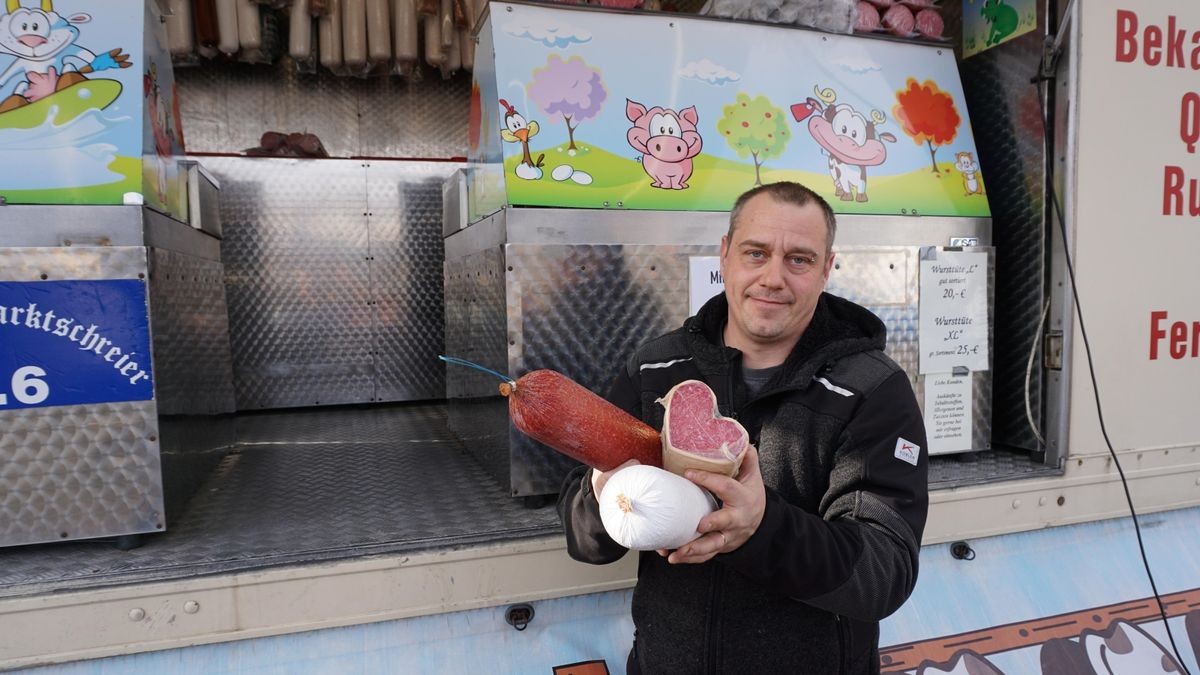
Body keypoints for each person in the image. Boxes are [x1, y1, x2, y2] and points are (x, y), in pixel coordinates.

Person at [557, 181, 929, 674]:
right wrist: (603, 490)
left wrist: (761, 529)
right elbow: (585, 542)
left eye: (799, 259)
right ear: (726, 255)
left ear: (826, 270)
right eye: (756, 253)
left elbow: (884, 572)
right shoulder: (655, 370)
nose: (773, 277)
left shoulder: (873, 389)